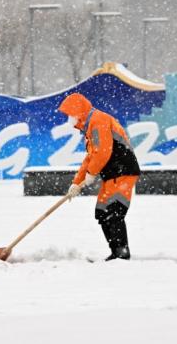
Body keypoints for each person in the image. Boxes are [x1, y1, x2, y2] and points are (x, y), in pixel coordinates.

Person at [58, 93, 141, 261]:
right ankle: (115, 252)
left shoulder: (99, 121)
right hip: (112, 175)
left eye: (70, 115)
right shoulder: (90, 128)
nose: (69, 119)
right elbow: (90, 157)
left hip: (122, 172)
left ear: (78, 112)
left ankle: (121, 254)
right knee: (103, 213)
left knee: (113, 211)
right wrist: (76, 183)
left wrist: (91, 174)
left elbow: (103, 152)